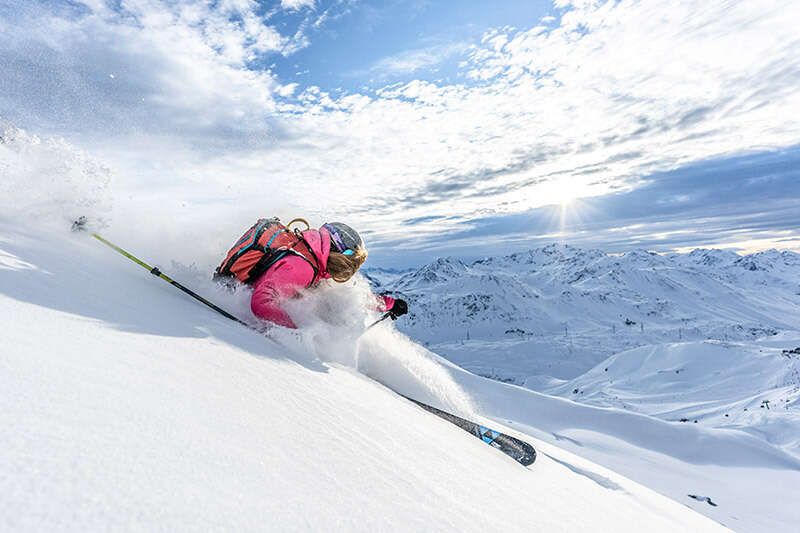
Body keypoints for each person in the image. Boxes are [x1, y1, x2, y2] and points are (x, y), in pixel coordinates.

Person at [217, 218, 407, 329]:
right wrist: (297, 334)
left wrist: (389, 304)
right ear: (336, 252)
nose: (348, 271)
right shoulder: (302, 267)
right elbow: (261, 302)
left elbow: (344, 298)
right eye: (349, 263)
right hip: (230, 296)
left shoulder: (317, 263)